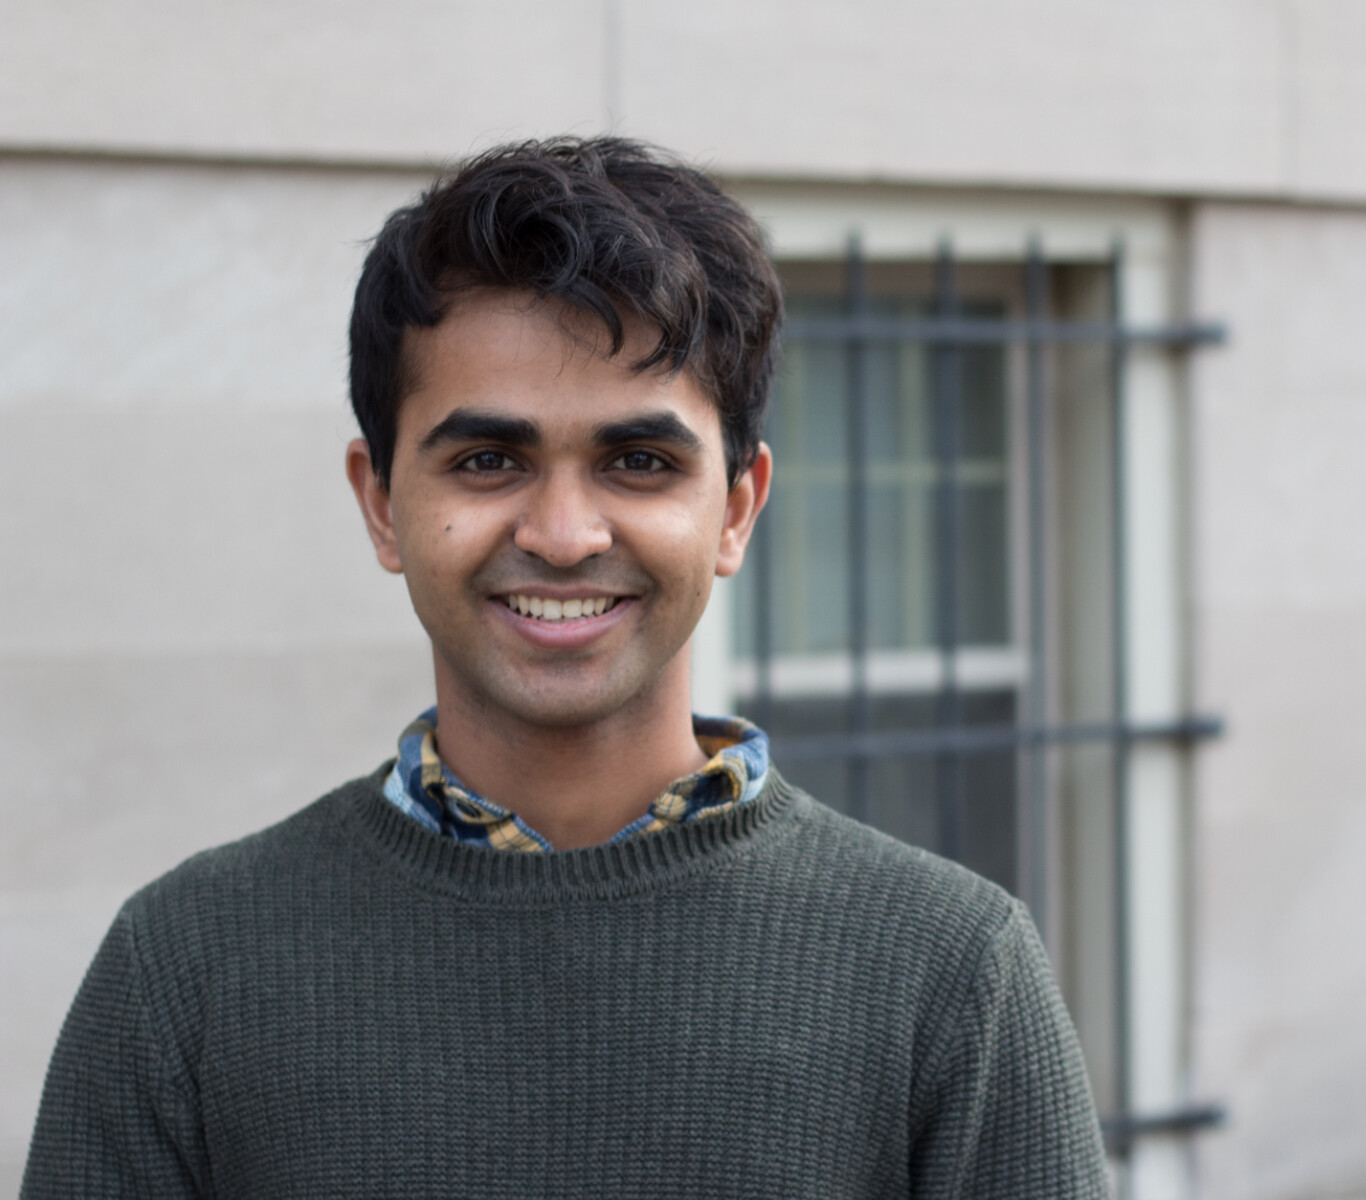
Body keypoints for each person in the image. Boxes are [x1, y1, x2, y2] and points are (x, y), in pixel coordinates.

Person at [23, 137, 1107, 1198]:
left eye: (638, 462)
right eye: (489, 461)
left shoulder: (953, 972)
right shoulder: (184, 971)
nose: (562, 531)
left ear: (735, 511)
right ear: (381, 502)